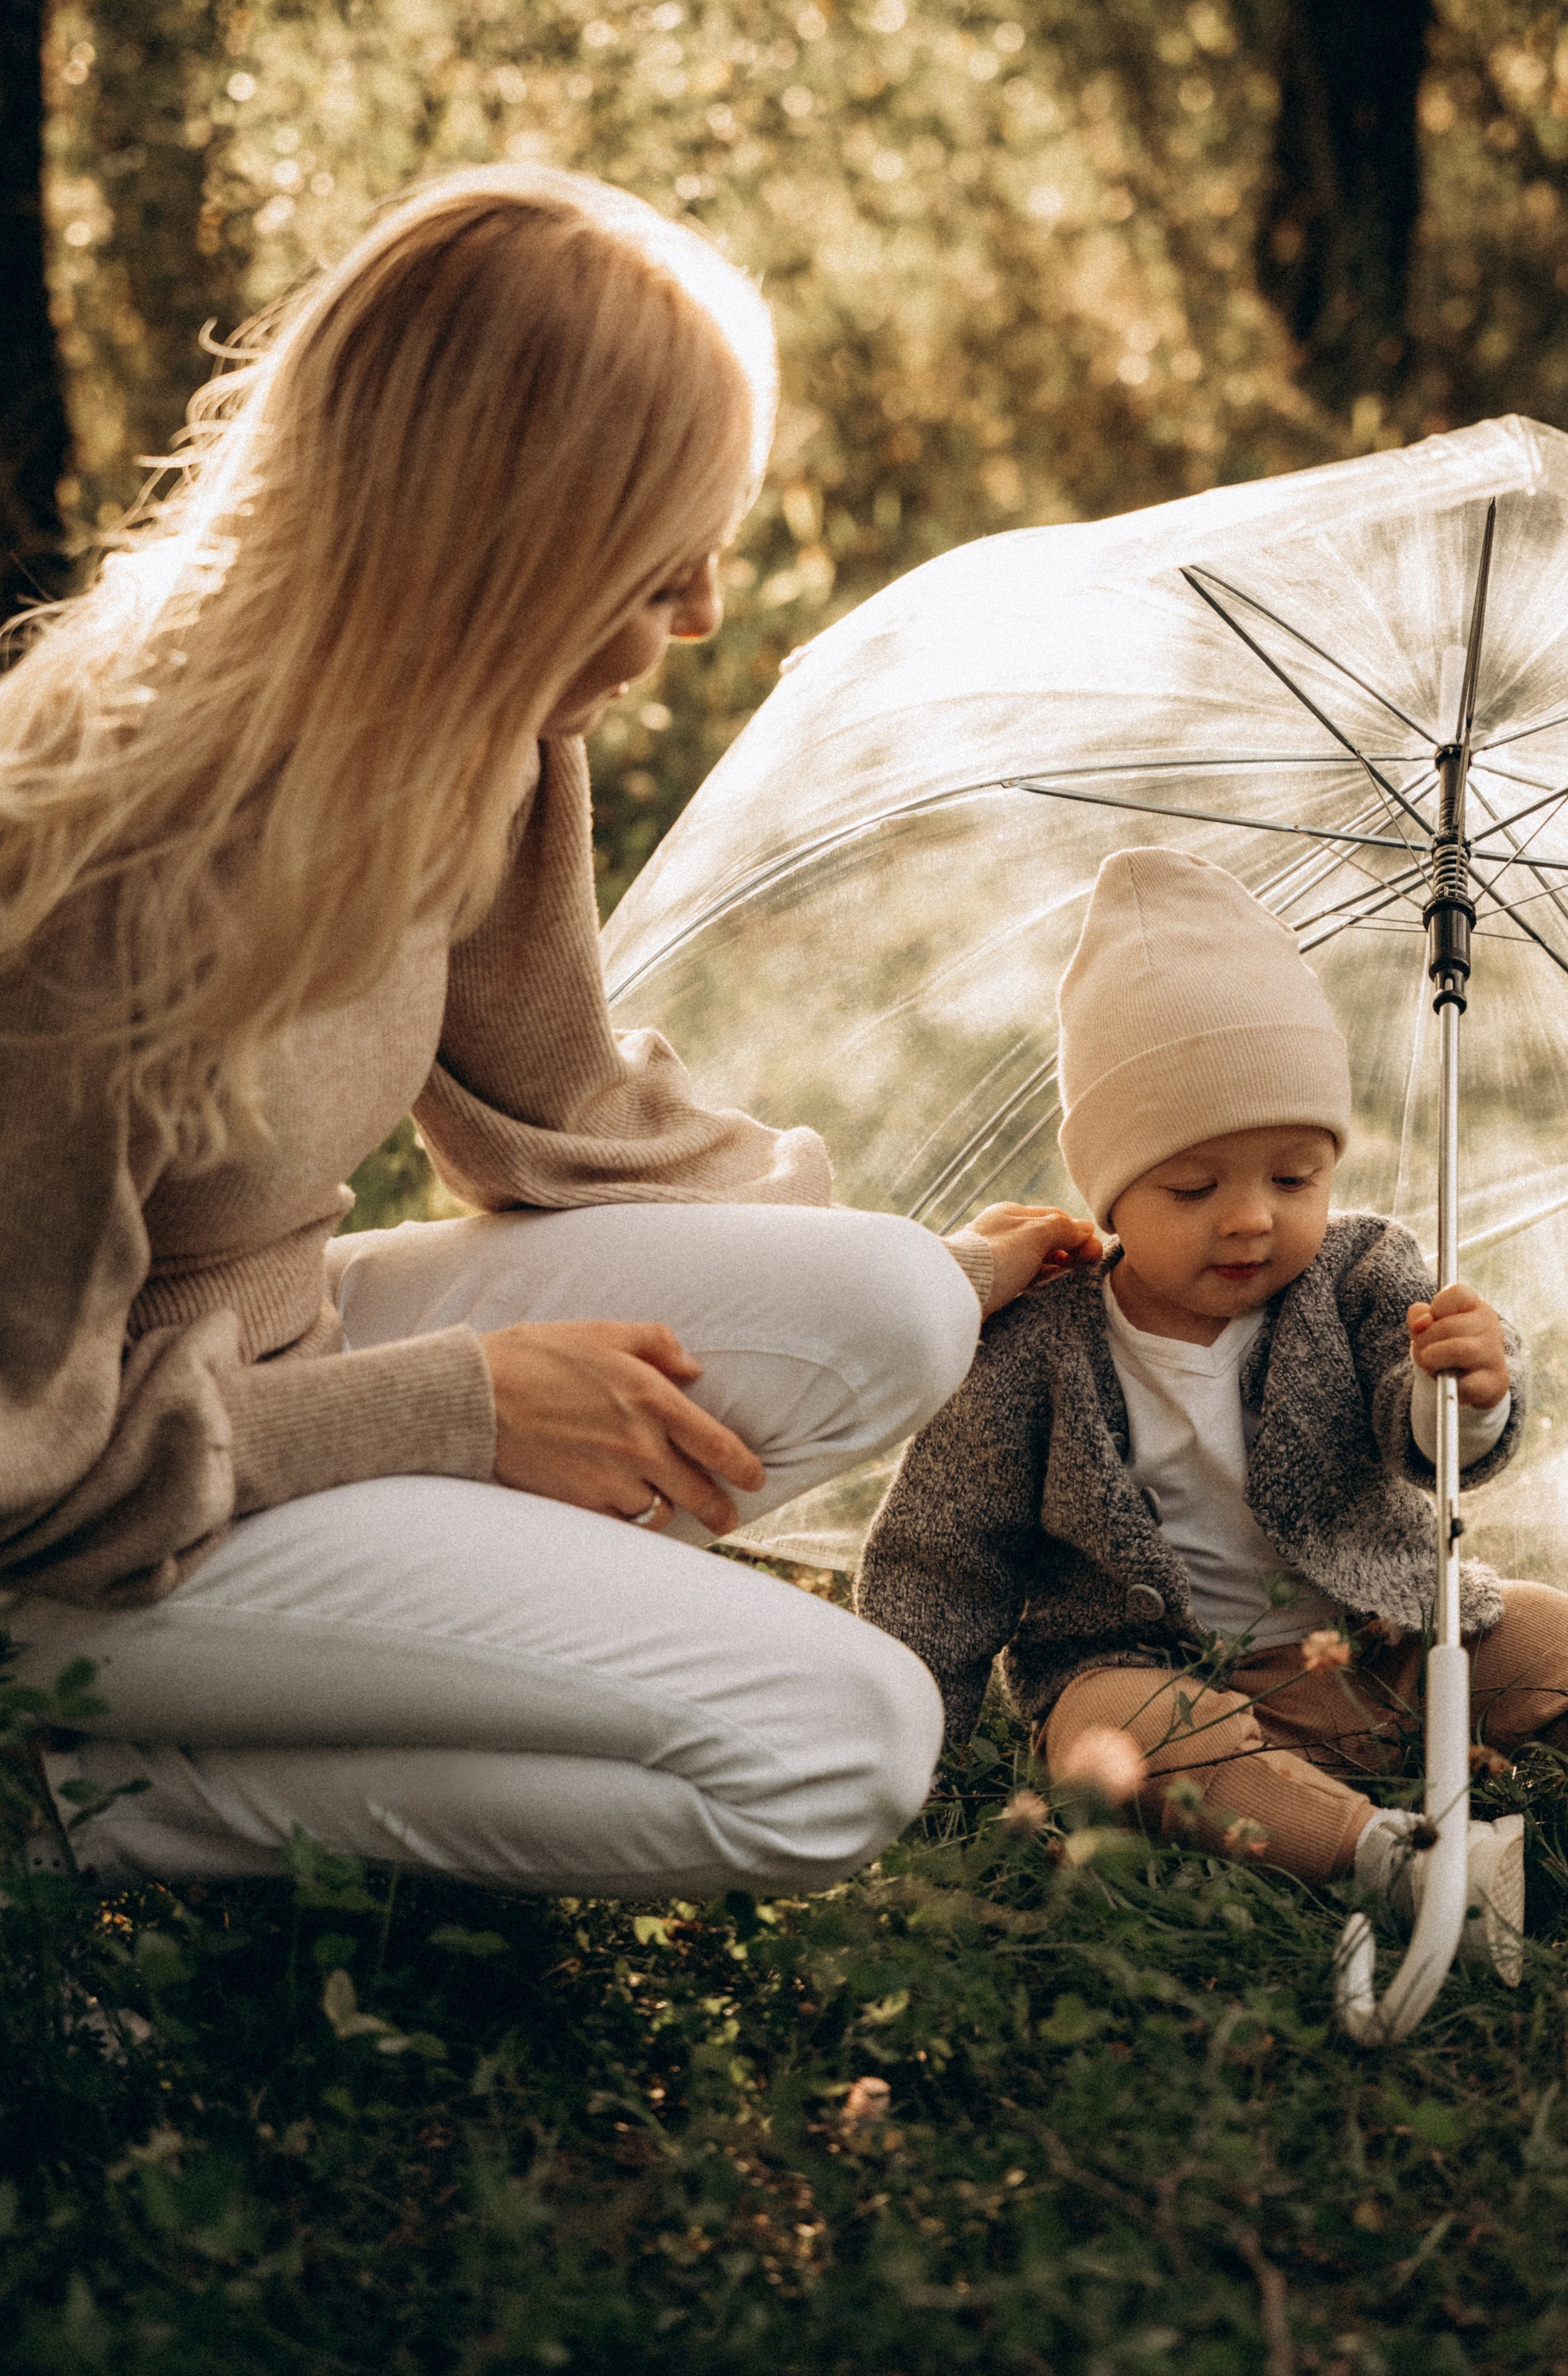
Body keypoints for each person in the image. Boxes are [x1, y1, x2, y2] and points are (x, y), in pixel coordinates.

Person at [0, 165, 1094, 1899]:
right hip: (72, 1538)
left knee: (890, 1304)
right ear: (504, 536)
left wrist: (928, 1259)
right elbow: (18, 1466)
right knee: (844, 1745)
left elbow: (567, 1110)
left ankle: (368, 1649)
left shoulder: (485, 739)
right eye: (660, 549)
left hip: (266, 1373)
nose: (704, 609)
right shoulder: (103, 875)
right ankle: (75, 1807)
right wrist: (454, 1410)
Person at [857, 849, 1568, 1974]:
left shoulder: (1356, 1274)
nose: (1251, 1220)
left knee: (1549, 1635)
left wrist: (1459, 1393)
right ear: (1109, 1189)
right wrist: (887, 1741)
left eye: (1294, 1176)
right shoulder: (1037, 1343)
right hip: (1161, 1666)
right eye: (1194, 1187)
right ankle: (1396, 1858)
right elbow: (943, 1552)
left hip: (1386, 1634)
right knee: (1117, 1735)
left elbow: (1427, 1441)